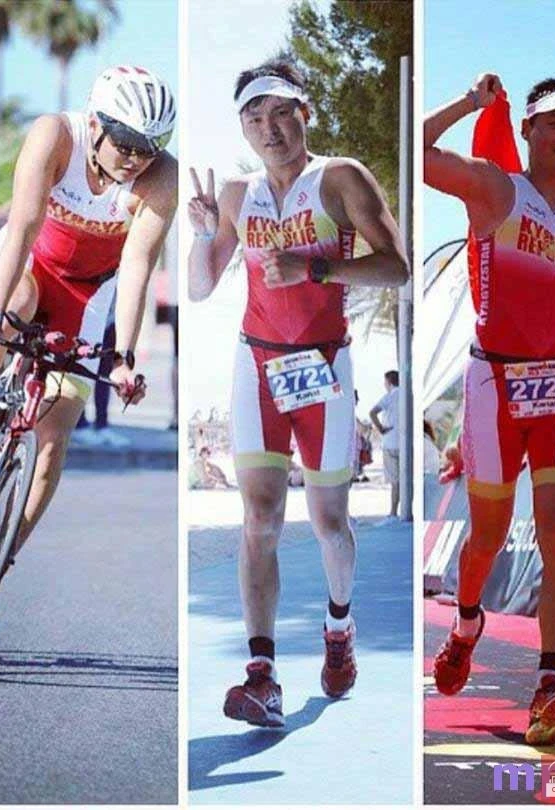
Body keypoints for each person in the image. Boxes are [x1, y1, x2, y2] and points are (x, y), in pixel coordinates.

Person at [188, 60, 409, 727]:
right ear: (243, 128)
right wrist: (201, 234)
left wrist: (316, 268)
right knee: (259, 519)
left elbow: (396, 267)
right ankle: (262, 674)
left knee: (329, 524)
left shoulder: (340, 178)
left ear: (304, 113)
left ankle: (339, 626)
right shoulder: (236, 194)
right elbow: (199, 287)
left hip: (325, 366)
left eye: (281, 113)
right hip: (256, 364)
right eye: (255, 118)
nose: (270, 129)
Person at [424, 74, 555, 744]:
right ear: (528, 129)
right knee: (487, 536)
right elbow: (418, 152)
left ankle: (549, 682)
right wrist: (468, 103)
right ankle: (467, 622)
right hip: (494, 384)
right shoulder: (494, 187)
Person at [0, 65, 178, 640]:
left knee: (52, 444)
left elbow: (137, 267)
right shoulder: (55, 135)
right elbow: (22, 226)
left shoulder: (161, 178)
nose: (136, 158)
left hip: (88, 295)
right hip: (27, 265)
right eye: (126, 143)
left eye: (151, 146)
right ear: (95, 124)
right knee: (10, 309)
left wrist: (124, 357)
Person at [370, 370, 401, 518]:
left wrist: (381, 428)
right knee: (407, 480)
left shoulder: (390, 396)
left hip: (390, 442)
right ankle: (407, 511)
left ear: (389, 382)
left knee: (395, 481)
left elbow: (372, 412)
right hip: (406, 443)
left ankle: (393, 512)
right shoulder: (409, 394)